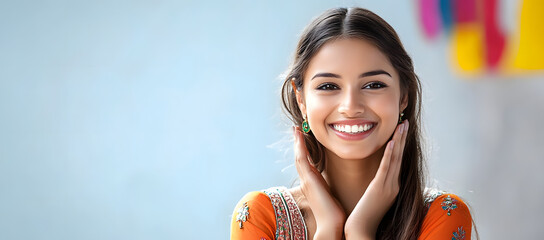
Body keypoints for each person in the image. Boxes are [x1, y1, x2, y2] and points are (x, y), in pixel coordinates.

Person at [230, 7, 473, 240]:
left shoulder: (442, 215)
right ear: (301, 99)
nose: (351, 106)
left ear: (404, 97)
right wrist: (327, 228)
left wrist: (360, 231)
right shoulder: (261, 217)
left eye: (374, 85)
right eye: (328, 86)